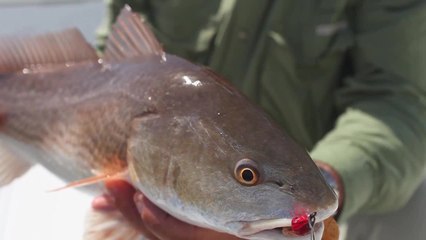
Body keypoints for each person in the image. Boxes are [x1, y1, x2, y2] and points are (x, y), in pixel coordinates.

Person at [94, 0, 426, 239]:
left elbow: (399, 100)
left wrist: (329, 178)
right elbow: (116, 58)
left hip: (315, 169)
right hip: (163, 173)